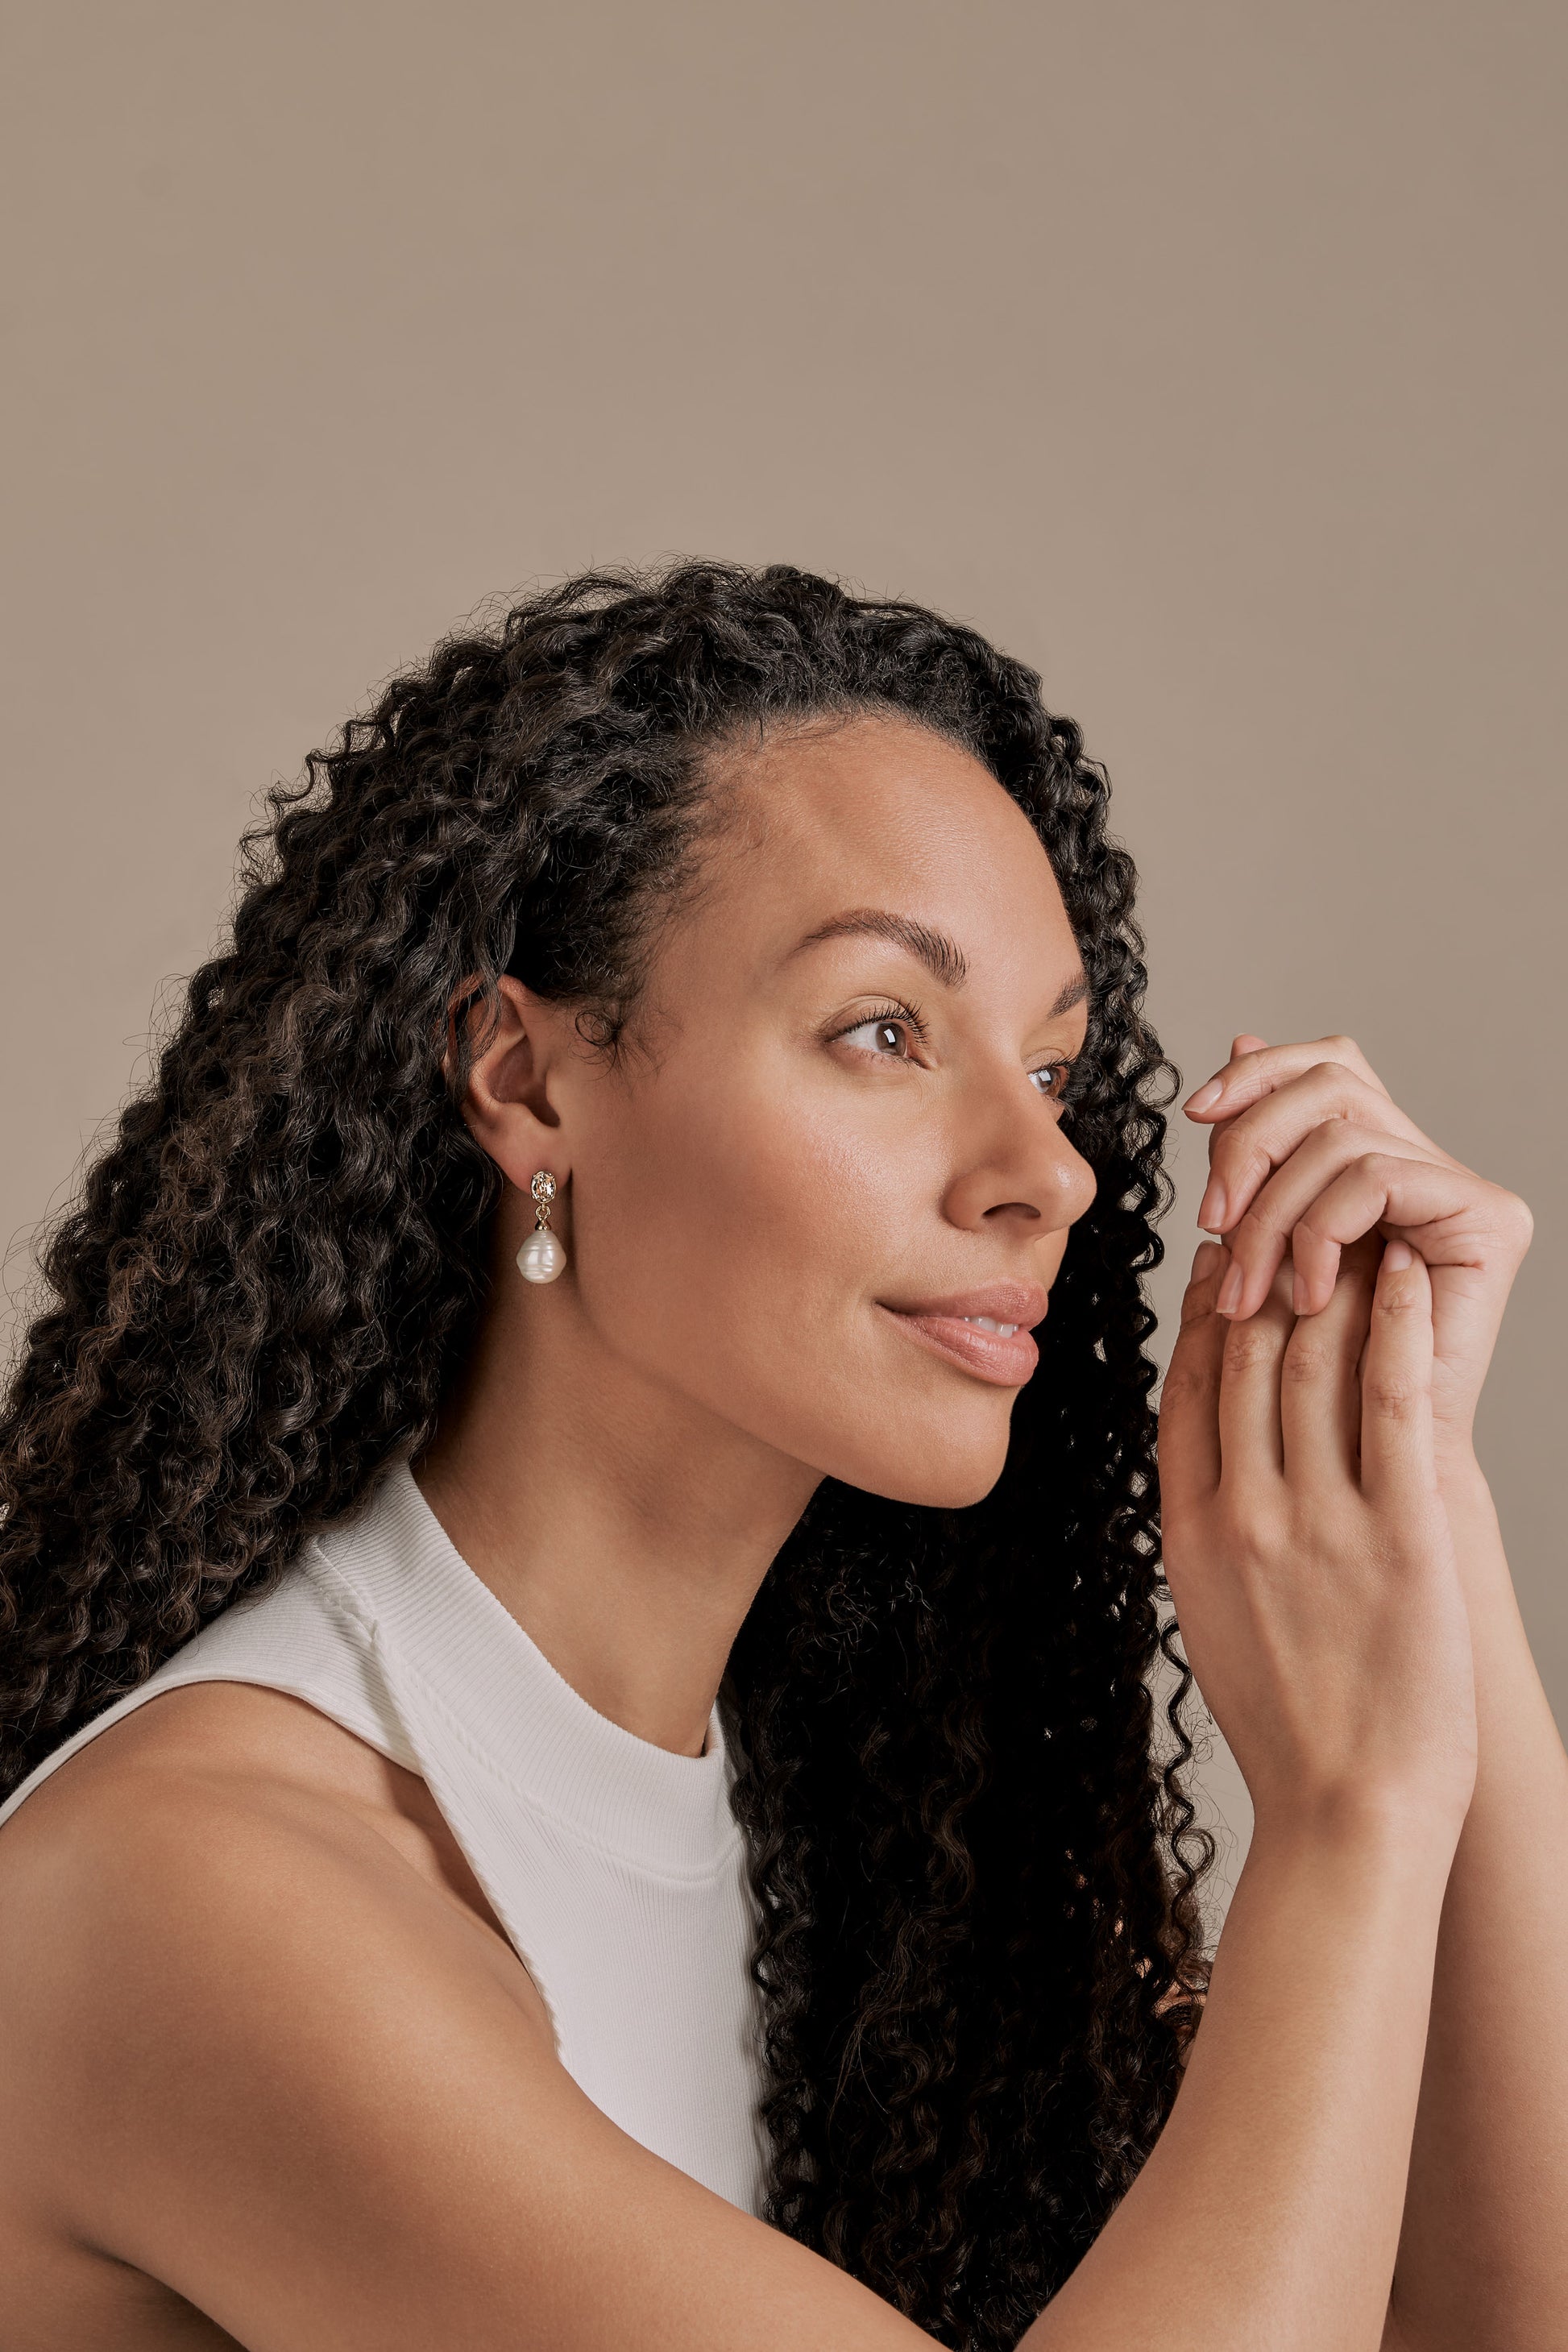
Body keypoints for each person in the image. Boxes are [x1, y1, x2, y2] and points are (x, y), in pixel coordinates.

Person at [0, 559, 1558, 2351]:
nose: (1043, 1170)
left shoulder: (841, 1834)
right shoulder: (201, 1897)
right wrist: (1349, 1816)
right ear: (524, 1079)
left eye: (1051, 1070)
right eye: (882, 1030)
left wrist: (1411, 1476)